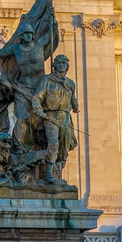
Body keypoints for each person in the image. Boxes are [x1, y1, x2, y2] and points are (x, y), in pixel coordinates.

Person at [31, 54, 79, 182]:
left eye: (64, 62)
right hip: (50, 117)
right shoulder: (47, 80)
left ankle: (59, 170)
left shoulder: (70, 83)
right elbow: (37, 97)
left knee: (64, 146)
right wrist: (38, 109)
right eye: (58, 62)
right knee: (53, 143)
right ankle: (49, 173)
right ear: (54, 65)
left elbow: (72, 97)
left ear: (67, 66)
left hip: (65, 117)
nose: (61, 64)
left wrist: (75, 105)